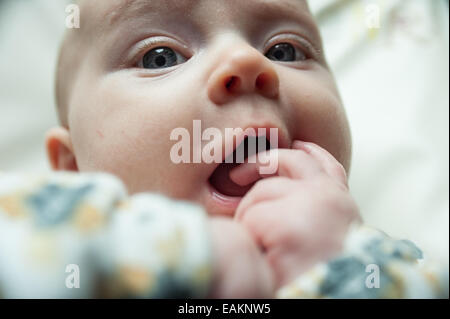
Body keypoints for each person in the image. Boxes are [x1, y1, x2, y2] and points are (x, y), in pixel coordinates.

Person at [0, 0, 447, 298]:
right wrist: (189, 252)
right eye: (162, 57)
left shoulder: (384, 264)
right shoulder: (54, 238)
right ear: (73, 171)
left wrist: (339, 257)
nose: (247, 62)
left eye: (286, 49)